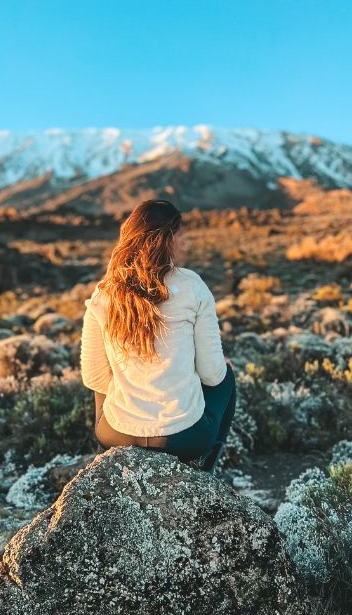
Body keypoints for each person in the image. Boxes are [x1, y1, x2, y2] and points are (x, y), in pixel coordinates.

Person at [80, 199, 236, 474]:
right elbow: (212, 375)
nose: (186, 240)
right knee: (227, 376)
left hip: (117, 434)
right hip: (183, 439)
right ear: (166, 239)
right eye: (181, 233)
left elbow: (94, 377)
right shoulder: (192, 287)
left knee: (105, 389)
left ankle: (113, 467)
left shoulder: (104, 293)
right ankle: (205, 471)